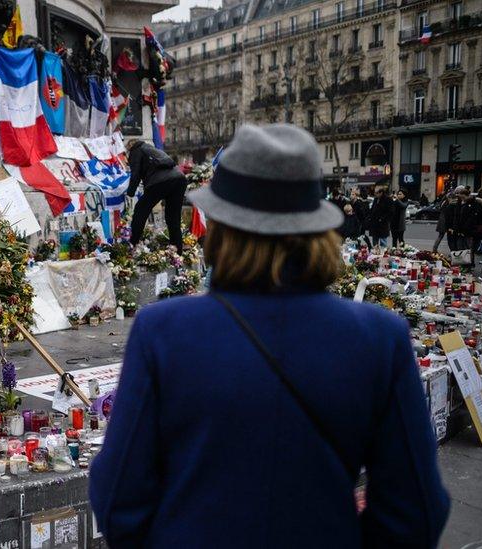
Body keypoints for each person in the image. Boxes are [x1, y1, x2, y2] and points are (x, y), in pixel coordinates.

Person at [90, 124, 449, 547]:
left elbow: (118, 496)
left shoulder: (164, 332)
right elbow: (417, 509)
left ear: (220, 225)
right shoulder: (379, 338)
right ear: (318, 228)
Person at [125, 140, 188, 251]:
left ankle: (132, 244)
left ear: (130, 147)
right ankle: (177, 250)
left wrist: (130, 193)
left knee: (141, 210)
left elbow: (135, 174)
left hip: (160, 182)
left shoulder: (137, 150)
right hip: (179, 179)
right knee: (173, 217)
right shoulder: (152, 149)